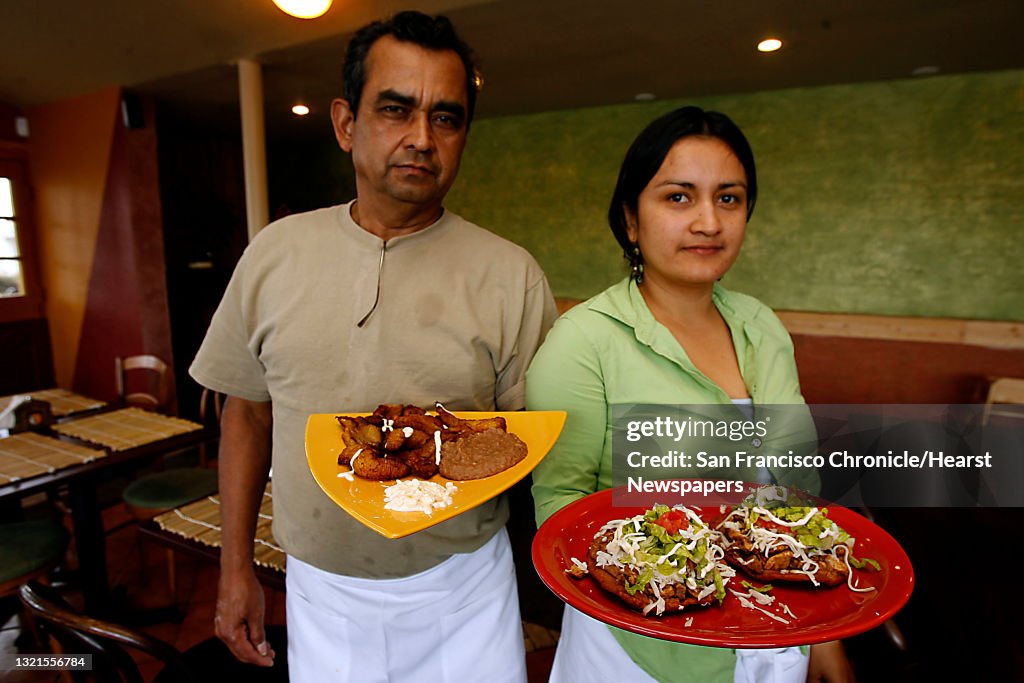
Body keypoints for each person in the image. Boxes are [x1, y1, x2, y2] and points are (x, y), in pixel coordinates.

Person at [190, 11, 557, 682]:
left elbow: (530, 442)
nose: (421, 137)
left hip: (463, 589)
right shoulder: (274, 254)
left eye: (446, 118)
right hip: (320, 592)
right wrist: (234, 566)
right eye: (396, 109)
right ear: (345, 123)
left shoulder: (511, 275)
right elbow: (245, 414)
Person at [526, 106, 854, 682]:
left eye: (728, 198)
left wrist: (821, 632)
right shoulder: (583, 341)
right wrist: (664, 585)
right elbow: (559, 508)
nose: (709, 221)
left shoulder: (762, 327)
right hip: (641, 649)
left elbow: (798, 489)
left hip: (777, 635)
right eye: (679, 197)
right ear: (631, 219)